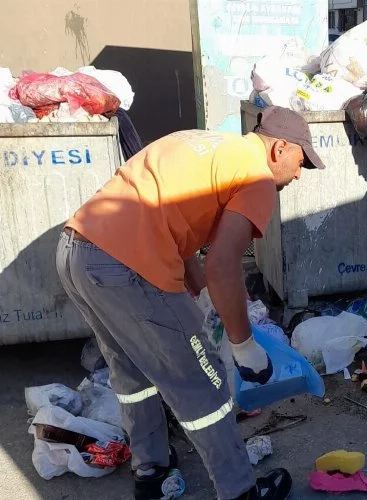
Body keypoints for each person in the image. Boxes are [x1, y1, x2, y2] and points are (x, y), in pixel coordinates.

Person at [56, 106, 325, 500]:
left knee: (132, 373)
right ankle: (240, 491)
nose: (299, 174)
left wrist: (202, 297)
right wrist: (244, 346)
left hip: (77, 251)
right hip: (128, 264)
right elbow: (222, 264)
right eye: (301, 162)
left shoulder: (203, 142)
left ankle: (152, 474)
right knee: (205, 385)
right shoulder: (257, 176)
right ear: (279, 149)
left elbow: (178, 234)